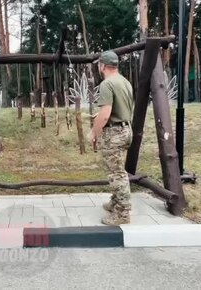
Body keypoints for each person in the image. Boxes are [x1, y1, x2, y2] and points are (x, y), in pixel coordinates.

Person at [89, 50, 134, 226]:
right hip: (126, 130)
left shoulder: (107, 84)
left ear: (102, 65)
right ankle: (116, 202)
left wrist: (94, 132)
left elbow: (106, 114)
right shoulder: (125, 82)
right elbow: (121, 109)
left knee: (117, 174)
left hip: (114, 133)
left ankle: (122, 214)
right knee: (119, 169)